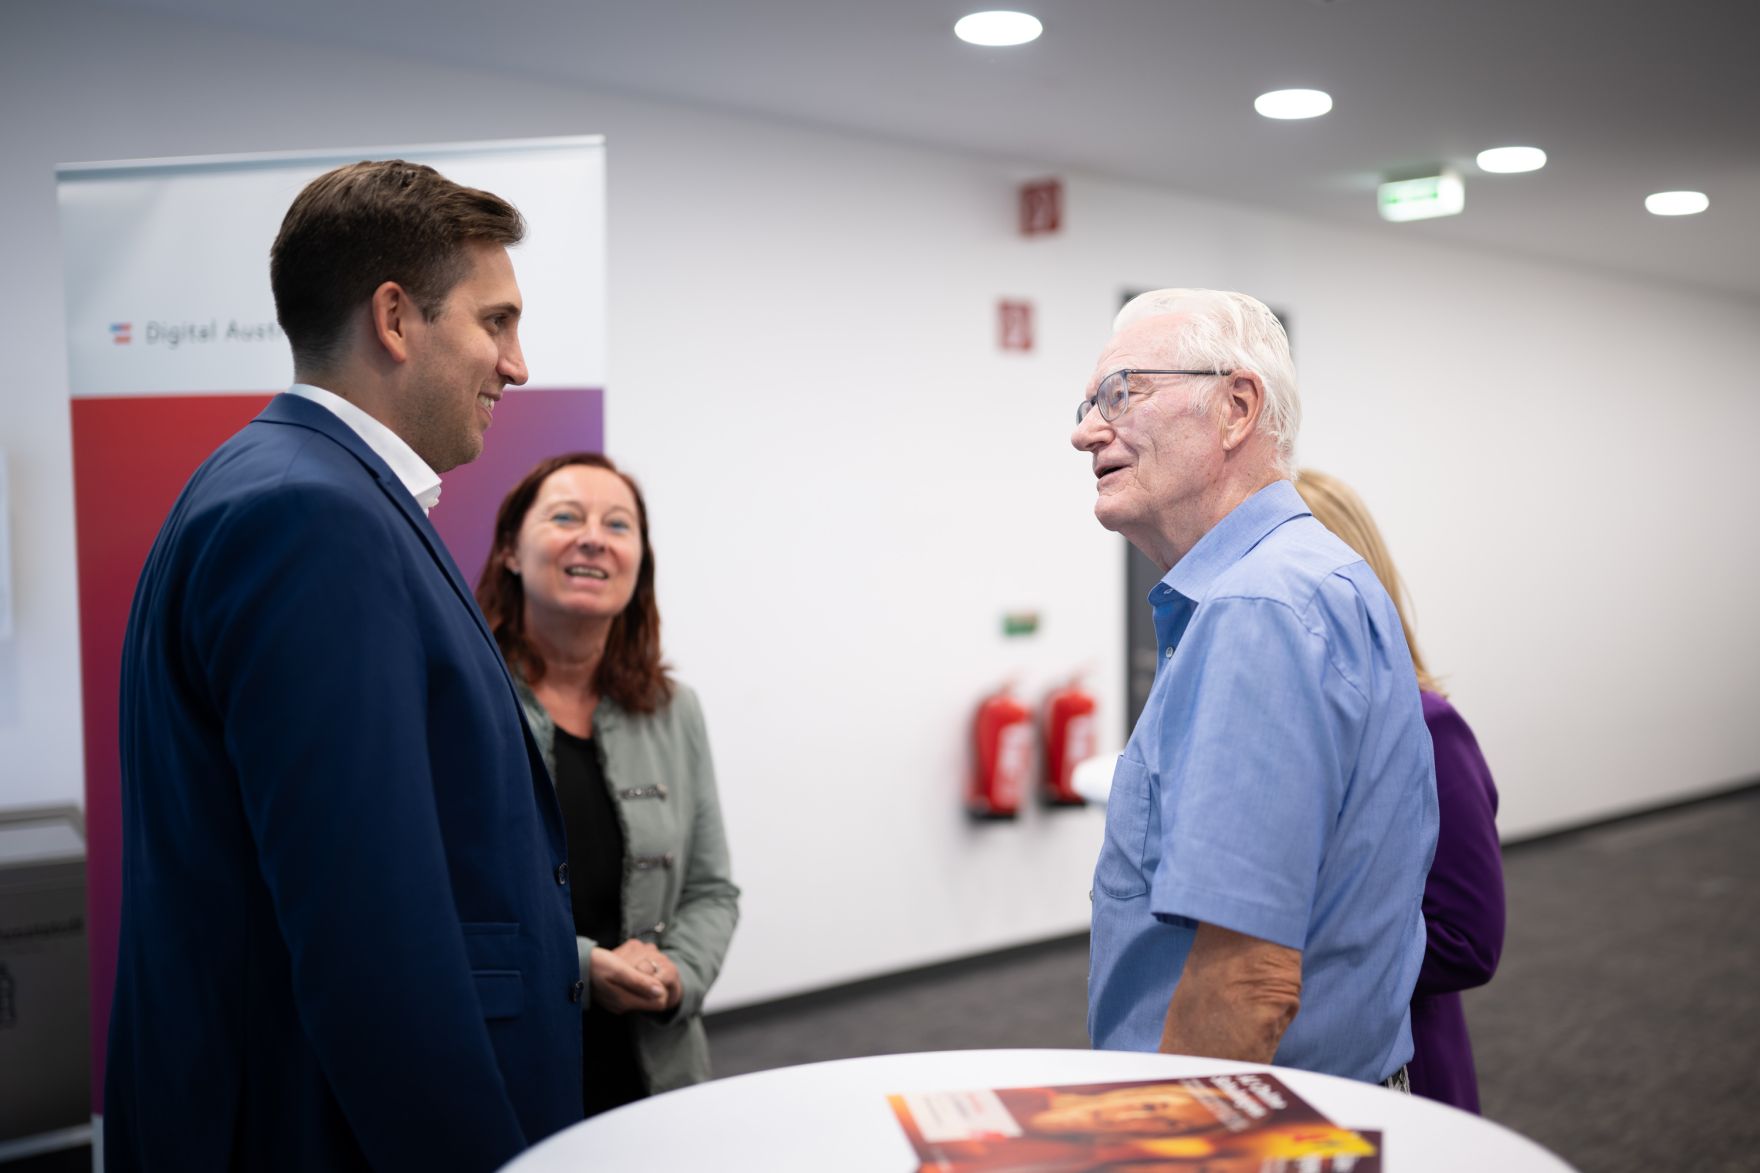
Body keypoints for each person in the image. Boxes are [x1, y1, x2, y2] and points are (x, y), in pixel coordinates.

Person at [105, 161, 583, 1172]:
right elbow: (371, 934)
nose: (518, 363)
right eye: (494, 323)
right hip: (312, 1125)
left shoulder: (284, 484)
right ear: (396, 318)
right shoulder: (310, 517)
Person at [1071, 288, 1438, 1086]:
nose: (1085, 429)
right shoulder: (1312, 578)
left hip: (1255, 1125)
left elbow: (1245, 978)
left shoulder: (1259, 607)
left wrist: (1166, 1147)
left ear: (1237, 407)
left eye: (1121, 393)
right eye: (1089, 401)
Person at [476, 452, 739, 1116]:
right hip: (510, 1060)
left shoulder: (676, 708)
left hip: (655, 1066)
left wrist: (677, 972)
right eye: (566, 516)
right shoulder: (463, 704)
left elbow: (711, 890)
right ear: (510, 549)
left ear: (638, 563)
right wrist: (582, 965)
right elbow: (443, 905)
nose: (594, 535)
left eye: (618, 524)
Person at [1294, 468, 1504, 1113]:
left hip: (1401, 1073)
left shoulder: (1429, 729)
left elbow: (1467, 941)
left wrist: (1277, 952)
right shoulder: (1289, 730)